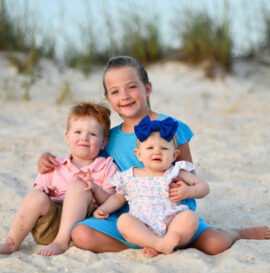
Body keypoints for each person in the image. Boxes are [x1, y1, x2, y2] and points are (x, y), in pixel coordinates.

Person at [38, 56, 270, 255]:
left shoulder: (172, 127)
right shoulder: (110, 137)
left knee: (216, 244)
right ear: (108, 99)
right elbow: (83, 158)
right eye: (115, 91)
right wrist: (49, 159)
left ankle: (234, 233)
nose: (125, 96)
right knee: (81, 234)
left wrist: (185, 190)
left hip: (172, 215)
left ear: (147, 88)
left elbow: (189, 173)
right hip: (131, 218)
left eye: (132, 87)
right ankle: (150, 244)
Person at [0, 102, 118, 255]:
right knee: (36, 195)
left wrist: (94, 188)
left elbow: (111, 202)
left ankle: (61, 243)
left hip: (79, 226)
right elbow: (34, 198)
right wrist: (44, 192)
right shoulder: (54, 165)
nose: (84, 138)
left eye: (92, 134)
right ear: (67, 137)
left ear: (104, 143)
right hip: (49, 224)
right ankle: (12, 242)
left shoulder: (106, 166)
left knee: (79, 185)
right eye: (78, 132)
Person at [92, 116, 210, 257]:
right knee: (124, 221)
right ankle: (157, 243)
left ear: (174, 155)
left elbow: (204, 187)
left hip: (172, 224)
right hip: (142, 225)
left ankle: (163, 243)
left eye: (164, 148)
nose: (157, 152)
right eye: (150, 147)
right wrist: (103, 209)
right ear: (139, 154)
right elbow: (118, 198)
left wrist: (190, 191)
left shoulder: (176, 171)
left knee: (190, 217)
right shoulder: (130, 175)